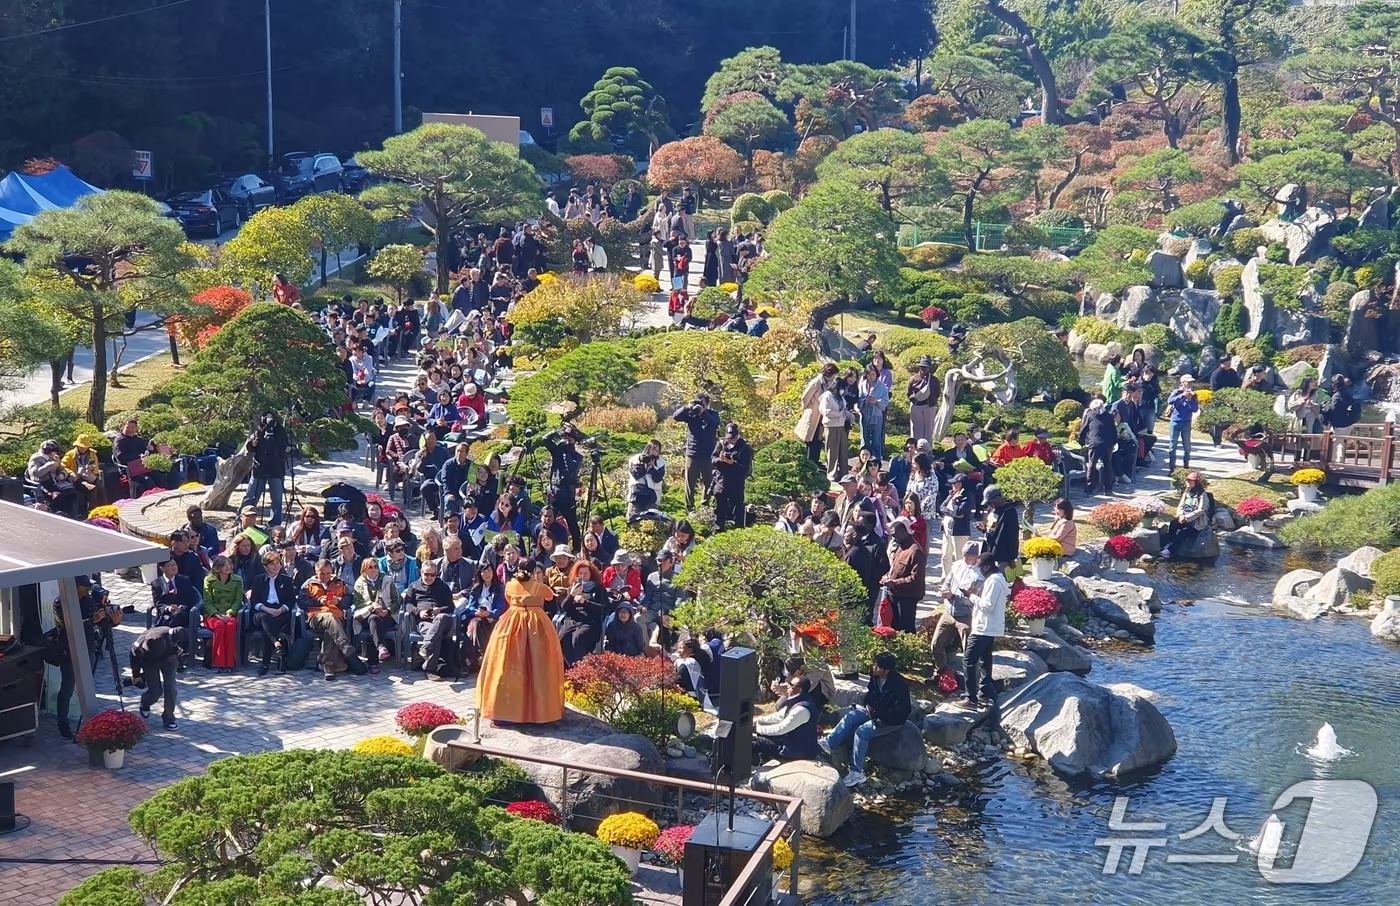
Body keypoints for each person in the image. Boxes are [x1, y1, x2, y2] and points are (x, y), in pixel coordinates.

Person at [478, 558, 565, 724]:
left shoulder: (510, 585)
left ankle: (504, 709)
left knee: (507, 661)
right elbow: (549, 596)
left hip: (511, 622)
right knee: (537, 665)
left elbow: (508, 599)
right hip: (536, 624)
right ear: (533, 571)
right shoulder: (539, 587)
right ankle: (538, 711)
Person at [818, 652, 912, 788]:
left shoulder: (899, 685)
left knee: (862, 732)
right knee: (852, 716)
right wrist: (868, 705)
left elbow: (901, 711)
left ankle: (857, 772)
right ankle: (828, 743)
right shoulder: (875, 676)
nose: (874, 668)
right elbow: (870, 694)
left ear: (887, 670)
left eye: (878, 666)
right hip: (874, 712)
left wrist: (879, 718)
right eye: (875, 665)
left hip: (891, 720)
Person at [299, 559, 366, 680]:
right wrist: (318, 601)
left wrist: (338, 601)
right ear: (316, 571)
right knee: (329, 617)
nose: (325, 576)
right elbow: (301, 602)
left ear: (332, 571)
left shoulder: (340, 583)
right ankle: (345, 647)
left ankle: (328, 666)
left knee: (330, 630)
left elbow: (350, 600)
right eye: (322, 574)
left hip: (337, 617)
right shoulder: (308, 584)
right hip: (316, 617)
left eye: (328, 573)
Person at [49, 575, 98, 738]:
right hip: (69, 651)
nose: (88, 589)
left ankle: (90, 723)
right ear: (76, 586)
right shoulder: (60, 602)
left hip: (88, 647)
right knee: (68, 688)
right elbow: (69, 626)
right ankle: (63, 724)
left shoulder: (89, 601)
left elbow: (96, 622)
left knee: (88, 686)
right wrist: (92, 620)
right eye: (85, 586)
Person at [959, 553, 1007, 710]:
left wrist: (971, 596)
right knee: (984, 661)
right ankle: (985, 692)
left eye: (979, 566)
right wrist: (978, 593)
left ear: (987, 567)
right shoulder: (999, 578)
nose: (978, 569)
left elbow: (987, 606)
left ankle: (970, 698)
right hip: (990, 628)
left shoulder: (993, 581)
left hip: (983, 628)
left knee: (968, 661)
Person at [929, 541, 979, 677]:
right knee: (936, 644)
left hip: (966, 616)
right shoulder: (957, 565)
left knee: (969, 651)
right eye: (964, 555)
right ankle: (941, 674)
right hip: (949, 612)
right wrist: (944, 590)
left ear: (976, 556)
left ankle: (972, 681)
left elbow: (975, 600)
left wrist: (954, 596)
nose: (965, 558)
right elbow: (947, 582)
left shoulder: (979, 574)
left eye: (969, 556)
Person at [248, 552, 296, 675]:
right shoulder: (258, 579)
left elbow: (291, 600)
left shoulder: (286, 580)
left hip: (280, 611)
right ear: (265, 566)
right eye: (272, 564)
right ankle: (277, 645)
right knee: (265, 618)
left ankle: (265, 663)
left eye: (277, 563)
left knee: (268, 628)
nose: (276, 566)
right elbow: (254, 601)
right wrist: (266, 609)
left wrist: (281, 609)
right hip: (263, 611)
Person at [131, 625, 187, 730]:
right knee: (155, 691)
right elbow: (134, 653)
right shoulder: (148, 640)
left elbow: (182, 649)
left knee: (171, 688)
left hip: (169, 658)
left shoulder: (176, 636)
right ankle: (145, 702)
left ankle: (169, 718)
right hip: (149, 661)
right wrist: (136, 674)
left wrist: (180, 657)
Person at [753, 676, 821, 762]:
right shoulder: (799, 700)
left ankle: (753, 765)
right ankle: (764, 759)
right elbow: (778, 716)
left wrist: (758, 729)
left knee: (756, 742)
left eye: (791, 685)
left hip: (797, 752)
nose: (787, 686)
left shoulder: (802, 710)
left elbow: (781, 728)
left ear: (799, 690)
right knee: (761, 736)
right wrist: (758, 720)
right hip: (792, 743)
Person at [240, 412, 290, 526]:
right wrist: (254, 443)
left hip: (276, 469)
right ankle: (242, 519)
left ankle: (275, 524)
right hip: (260, 468)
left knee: (277, 499)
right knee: (251, 496)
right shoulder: (260, 429)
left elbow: (282, 448)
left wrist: (272, 438)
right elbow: (250, 446)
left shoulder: (280, 431)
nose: (269, 422)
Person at [353, 558, 401, 674]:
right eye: (370, 567)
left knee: (374, 626)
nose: (373, 569)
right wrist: (371, 605)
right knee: (373, 619)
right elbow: (358, 602)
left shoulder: (388, 580)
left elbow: (397, 601)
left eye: (375, 567)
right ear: (364, 570)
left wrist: (387, 611)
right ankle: (380, 647)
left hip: (387, 616)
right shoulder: (359, 583)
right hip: (367, 614)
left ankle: (373, 662)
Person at [673, 394, 720, 511]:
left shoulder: (713, 414)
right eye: (697, 402)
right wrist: (687, 407)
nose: (699, 405)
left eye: (702, 403)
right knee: (690, 482)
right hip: (692, 454)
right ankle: (690, 507)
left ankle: (705, 505)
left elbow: (714, 423)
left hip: (708, 454)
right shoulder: (691, 414)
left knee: (709, 482)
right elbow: (676, 417)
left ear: (707, 404)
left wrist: (703, 412)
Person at [881, 521, 926, 631]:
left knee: (906, 628)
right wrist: (887, 576)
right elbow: (895, 567)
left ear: (903, 532)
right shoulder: (901, 546)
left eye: (895, 535)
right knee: (895, 626)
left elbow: (916, 578)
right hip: (895, 594)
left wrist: (894, 582)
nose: (894, 539)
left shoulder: (915, 551)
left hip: (907, 597)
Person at [202, 555, 243, 670]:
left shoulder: (237, 580)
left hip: (229, 614)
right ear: (217, 568)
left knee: (230, 625)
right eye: (225, 565)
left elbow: (238, 600)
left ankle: (229, 663)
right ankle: (218, 662)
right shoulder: (209, 580)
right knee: (219, 626)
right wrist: (217, 614)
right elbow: (207, 601)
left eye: (229, 564)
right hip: (213, 614)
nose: (228, 567)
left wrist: (229, 613)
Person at [711, 423, 754, 530]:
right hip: (721, 482)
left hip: (736, 483)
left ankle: (738, 531)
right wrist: (720, 459)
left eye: (733, 437)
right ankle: (719, 529)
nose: (731, 440)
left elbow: (746, 469)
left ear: (738, 435)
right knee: (720, 508)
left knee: (738, 508)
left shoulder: (745, 448)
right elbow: (712, 459)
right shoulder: (721, 444)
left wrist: (733, 463)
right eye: (729, 438)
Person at [1163, 472, 1213, 558]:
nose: (1188, 482)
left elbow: (1200, 510)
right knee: (1173, 524)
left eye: (1191, 480)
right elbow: (1181, 505)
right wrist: (1180, 515)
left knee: (1183, 532)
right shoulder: (1187, 492)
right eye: (1187, 480)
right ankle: (1171, 542)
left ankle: (1170, 551)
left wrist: (1186, 517)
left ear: (1196, 482)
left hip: (1196, 522)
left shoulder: (1202, 495)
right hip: (1183, 518)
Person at [27, 439, 79, 517]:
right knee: (59, 495)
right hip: (43, 484)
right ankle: (59, 514)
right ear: (48, 451)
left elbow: (62, 469)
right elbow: (36, 473)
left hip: (56, 482)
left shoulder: (54, 457)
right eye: (54, 451)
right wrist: (49, 465)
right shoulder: (36, 458)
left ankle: (71, 515)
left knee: (71, 492)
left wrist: (62, 474)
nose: (56, 453)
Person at [1078, 398, 1118, 495]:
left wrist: (1081, 442)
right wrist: (1113, 443)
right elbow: (1113, 431)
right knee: (1107, 465)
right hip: (1107, 444)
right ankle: (1108, 489)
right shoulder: (1109, 416)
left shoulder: (1090, 415)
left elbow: (1084, 430)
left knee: (1092, 465)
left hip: (1095, 444)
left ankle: (1090, 487)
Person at [939, 474, 973, 580]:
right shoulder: (952, 494)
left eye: (956, 483)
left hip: (959, 531)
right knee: (945, 555)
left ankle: (959, 579)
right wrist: (952, 511)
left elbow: (959, 512)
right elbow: (942, 507)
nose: (953, 485)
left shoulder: (967, 497)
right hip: (947, 529)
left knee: (959, 557)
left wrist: (954, 502)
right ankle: (946, 577)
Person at [1165, 375, 1201, 472]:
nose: (1190, 384)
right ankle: (1172, 468)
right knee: (1172, 446)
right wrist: (1182, 395)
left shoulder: (1193, 395)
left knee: (1187, 446)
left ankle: (1186, 466)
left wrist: (1189, 399)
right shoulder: (1176, 392)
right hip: (1175, 422)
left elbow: (1195, 409)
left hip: (1186, 423)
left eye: (1191, 382)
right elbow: (1170, 401)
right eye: (1188, 382)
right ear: (1183, 383)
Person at [626, 439, 668, 523]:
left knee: (651, 520)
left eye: (657, 451)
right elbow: (635, 474)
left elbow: (658, 478)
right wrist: (642, 463)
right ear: (648, 448)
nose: (654, 452)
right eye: (653, 449)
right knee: (633, 519)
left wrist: (652, 467)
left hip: (652, 496)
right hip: (637, 494)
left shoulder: (661, 463)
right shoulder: (635, 459)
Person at [979, 485, 1020, 569]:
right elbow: (991, 529)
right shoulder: (992, 509)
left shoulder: (1009, 511)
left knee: (1002, 575)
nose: (990, 505)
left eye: (990, 502)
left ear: (998, 498)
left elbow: (1012, 535)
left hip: (1002, 555)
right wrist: (984, 529)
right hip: (990, 551)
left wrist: (1012, 557)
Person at [819, 377, 851, 481]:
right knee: (832, 452)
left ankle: (844, 474)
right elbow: (825, 411)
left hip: (842, 426)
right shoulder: (827, 396)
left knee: (843, 451)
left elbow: (844, 409)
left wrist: (849, 415)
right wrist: (838, 414)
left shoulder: (840, 397)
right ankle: (831, 475)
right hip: (831, 427)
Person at [62, 434, 103, 510]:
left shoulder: (92, 453)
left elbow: (96, 469)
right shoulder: (70, 454)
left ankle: (104, 509)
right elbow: (63, 466)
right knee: (93, 489)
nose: (83, 449)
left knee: (101, 487)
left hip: (89, 476)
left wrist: (92, 469)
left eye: (85, 447)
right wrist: (71, 473)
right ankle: (91, 511)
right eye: (81, 447)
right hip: (78, 479)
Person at [1322, 374, 1361, 442]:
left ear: (1335, 384)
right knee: (1343, 443)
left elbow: (1333, 409)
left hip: (1340, 424)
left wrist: (1325, 407)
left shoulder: (1337, 396)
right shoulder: (1348, 393)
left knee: (1336, 445)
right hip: (1349, 422)